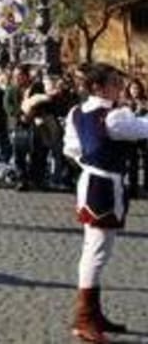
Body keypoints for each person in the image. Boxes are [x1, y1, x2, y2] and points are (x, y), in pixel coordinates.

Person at [63, 62, 148, 342]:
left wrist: (90, 161)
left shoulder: (78, 112)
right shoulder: (113, 117)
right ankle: (84, 318)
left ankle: (93, 313)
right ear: (98, 86)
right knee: (97, 251)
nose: (119, 87)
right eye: (113, 82)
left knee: (97, 249)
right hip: (103, 185)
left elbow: (72, 149)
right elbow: (143, 128)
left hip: (94, 180)